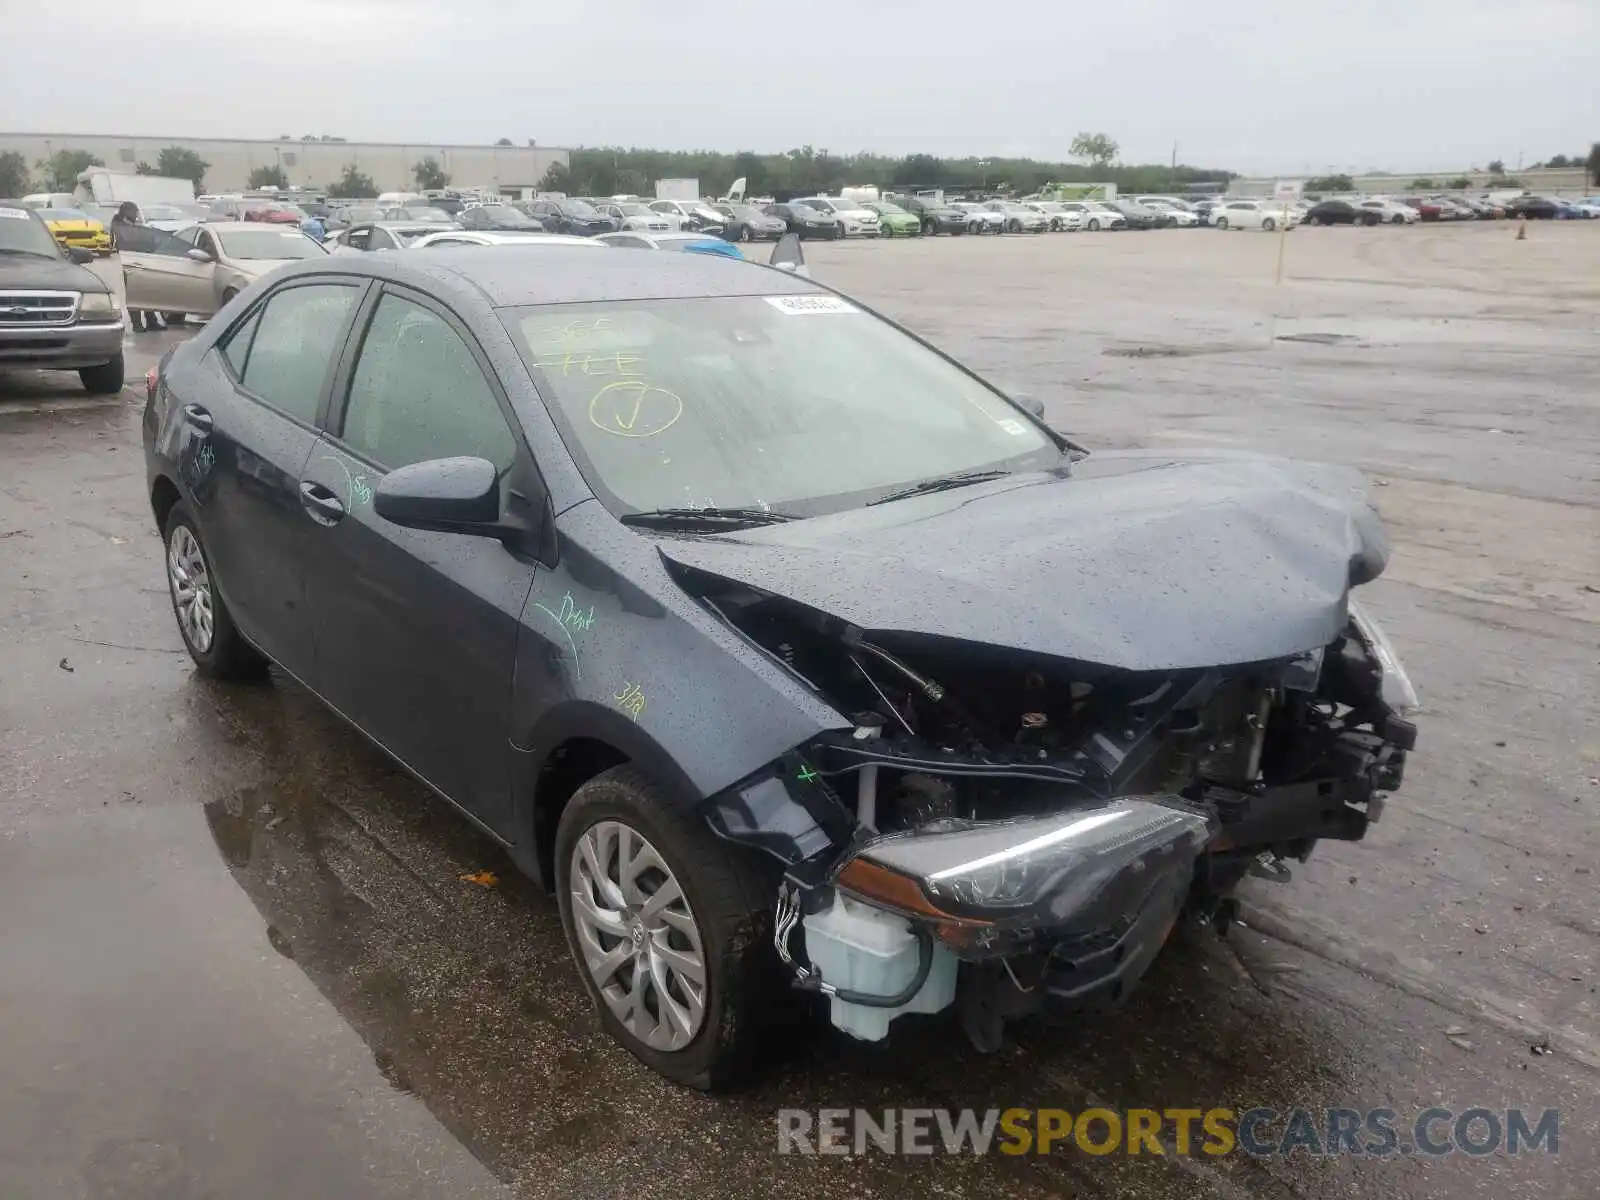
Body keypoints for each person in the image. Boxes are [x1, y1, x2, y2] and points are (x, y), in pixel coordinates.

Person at [109, 202, 164, 333]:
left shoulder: (132, 225)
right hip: (129, 263)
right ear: (127, 212)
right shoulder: (119, 227)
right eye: (134, 212)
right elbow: (129, 242)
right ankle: (137, 324)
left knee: (147, 292)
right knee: (134, 294)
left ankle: (151, 321)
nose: (136, 214)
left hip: (141, 261)